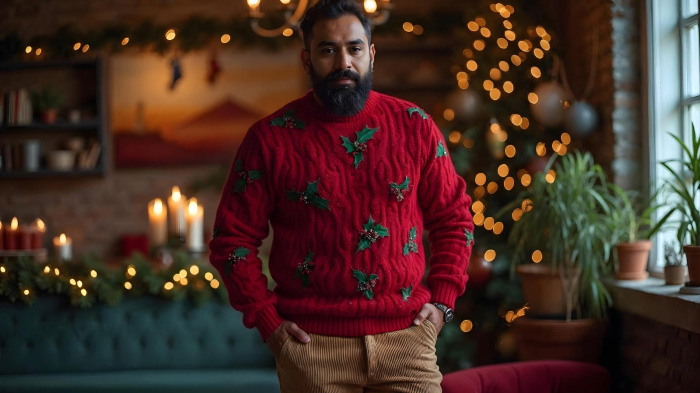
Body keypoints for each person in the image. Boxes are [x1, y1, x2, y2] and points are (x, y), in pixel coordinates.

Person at [208, 0, 474, 391]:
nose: (342, 62)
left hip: (408, 343)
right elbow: (232, 240)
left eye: (354, 48)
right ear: (306, 59)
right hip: (312, 351)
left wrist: (444, 301)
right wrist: (269, 324)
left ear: (371, 54)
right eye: (327, 50)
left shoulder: (415, 126)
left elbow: (454, 218)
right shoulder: (270, 138)